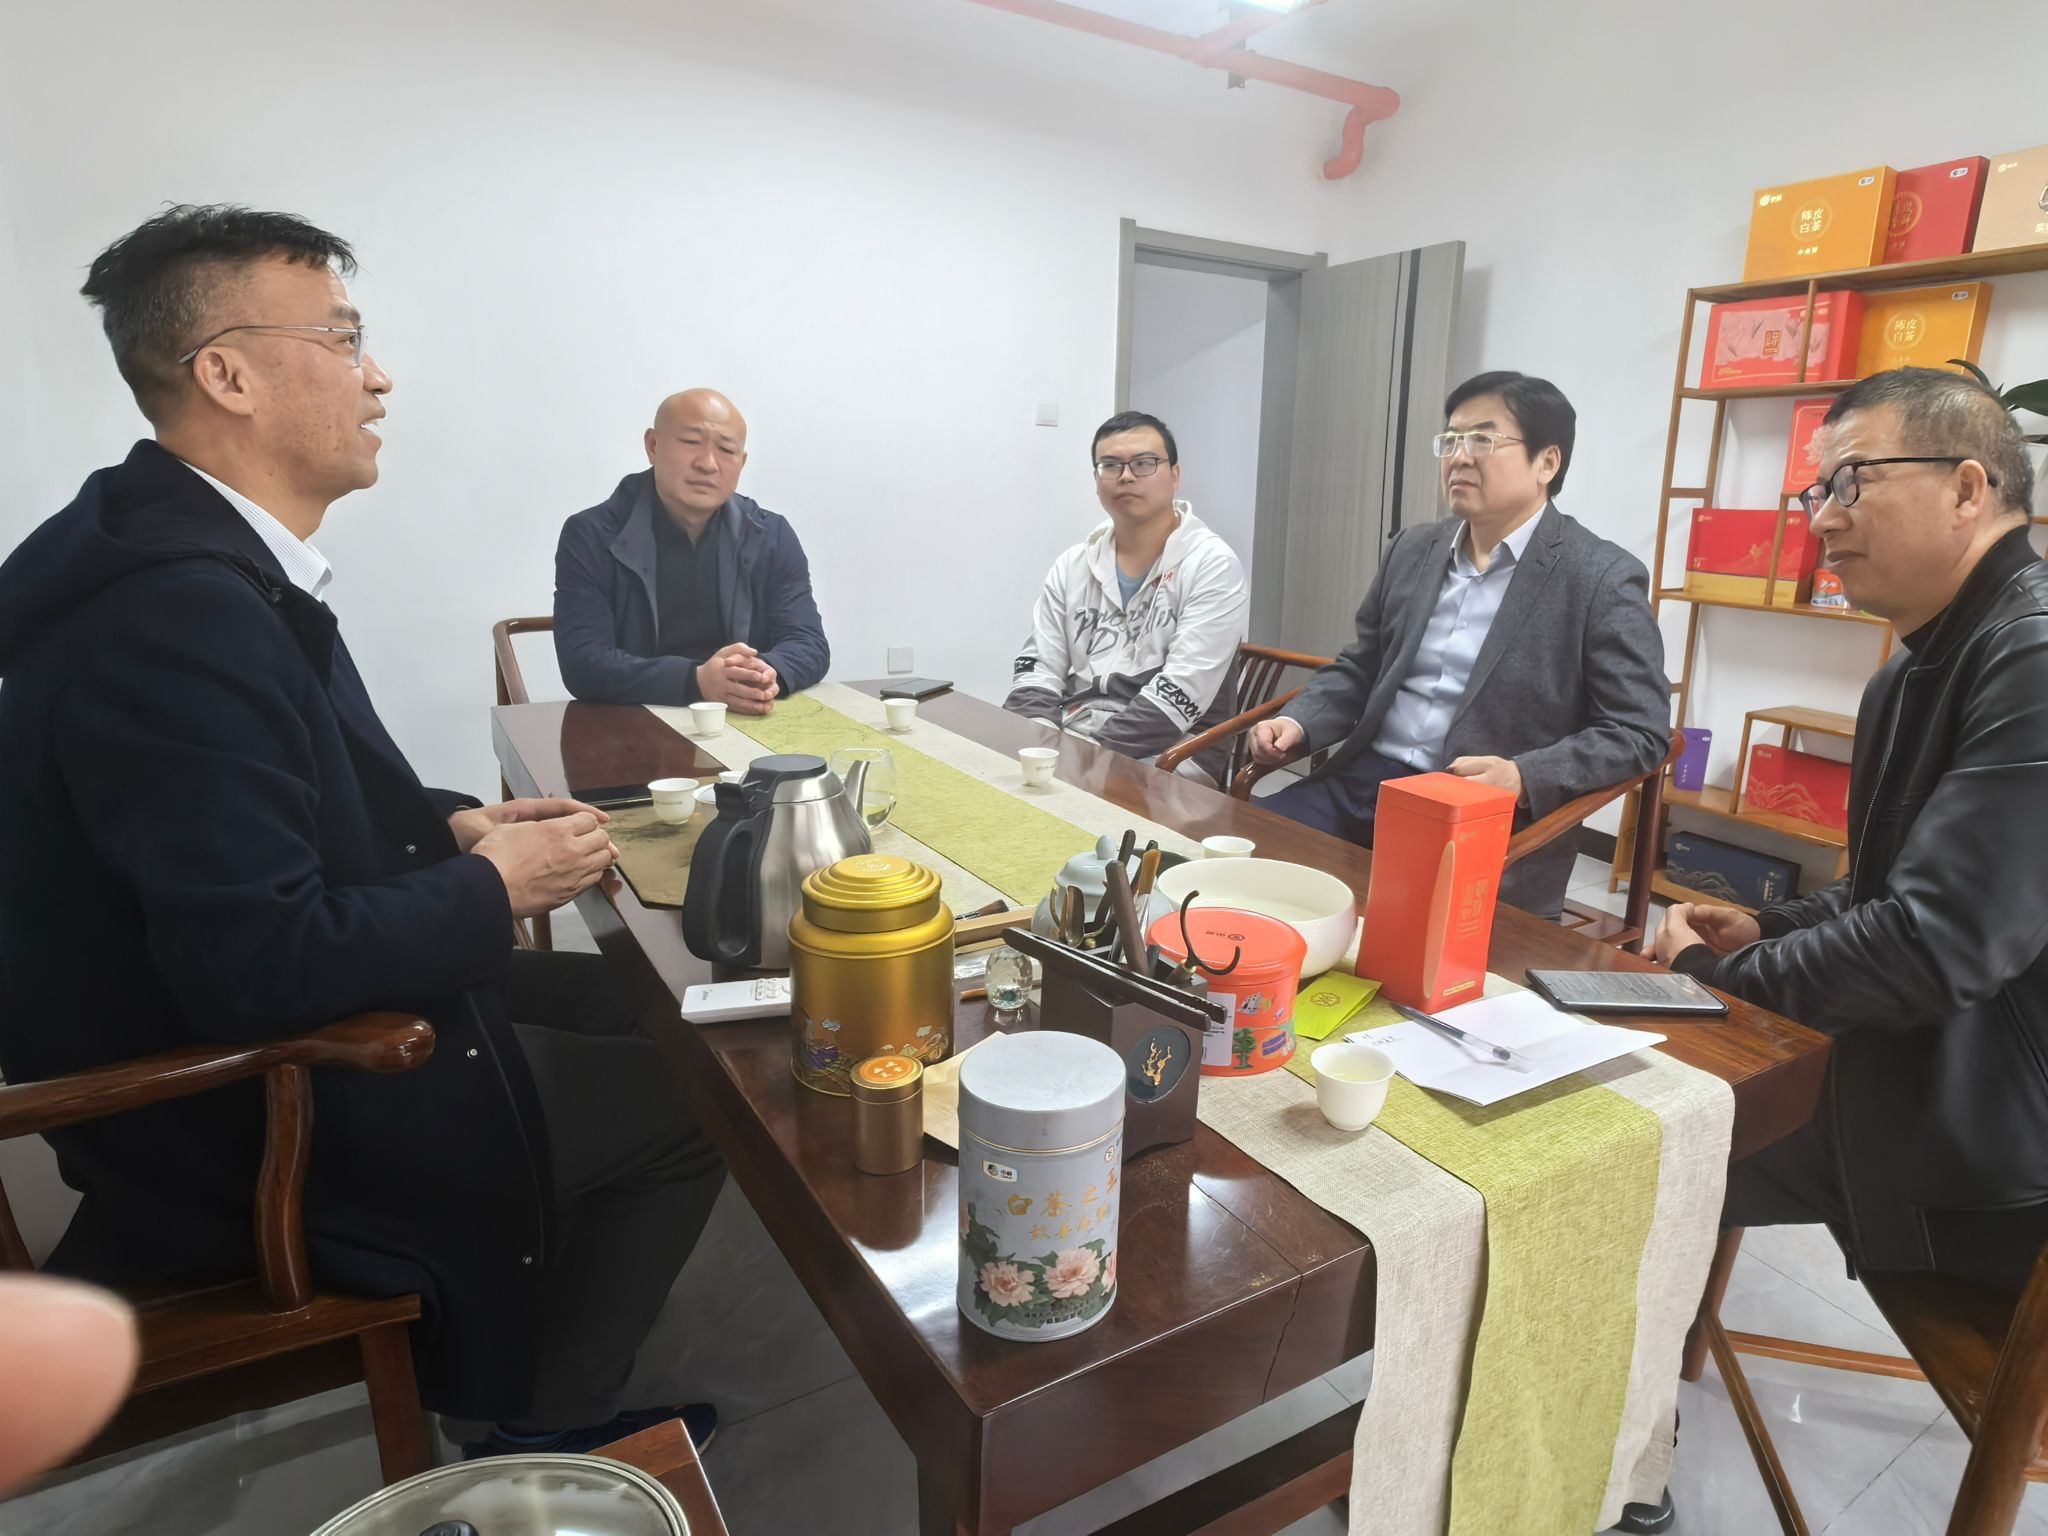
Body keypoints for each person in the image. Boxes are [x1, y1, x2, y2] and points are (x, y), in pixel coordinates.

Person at [0, 205, 724, 1457]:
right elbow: (257, 962)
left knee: (643, 1000)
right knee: (700, 1098)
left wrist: (451, 829)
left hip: (263, 1031)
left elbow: (283, 813)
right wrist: (494, 888)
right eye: (340, 339)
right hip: (255, 1114)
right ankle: (538, 1427)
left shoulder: (182, 559)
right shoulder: (174, 615)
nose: (377, 375)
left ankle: (522, 1335)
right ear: (225, 375)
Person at [1657, 366, 2048, 1291]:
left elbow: (1934, 944)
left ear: (1967, 488)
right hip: (1909, 1065)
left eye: (1852, 483)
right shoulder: (1910, 672)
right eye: (1817, 493)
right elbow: (1885, 889)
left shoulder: (2032, 656)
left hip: (1986, 1145)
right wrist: (1769, 927)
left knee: (1614, 1152)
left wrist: (1716, 979)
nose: (1824, 520)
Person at [1250, 371, 1669, 916]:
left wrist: (1524, 776)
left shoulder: (1600, 577)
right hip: (1362, 781)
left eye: (1483, 440)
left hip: (1474, 813)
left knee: (1388, 932)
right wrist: (1300, 722)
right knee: (1240, 866)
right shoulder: (1413, 548)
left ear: (1547, 462)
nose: (1459, 457)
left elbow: (1639, 732)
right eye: (1450, 440)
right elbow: (1361, 666)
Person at [1004, 410, 1249, 780]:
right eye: (1111, 465)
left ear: (1175, 476)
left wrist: (1082, 761)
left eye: (1144, 463)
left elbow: (1180, 695)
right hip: (1076, 730)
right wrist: (1037, 740)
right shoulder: (1074, 563)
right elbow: (1039, 664)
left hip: (1173, 750)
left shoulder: (1211, 565)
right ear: (1097, 480)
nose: (1126, 476)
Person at [553, 389, 829, 712]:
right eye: (690, 442)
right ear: (653, 445)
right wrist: (696, 681)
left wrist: (765, 673)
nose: (707, 464)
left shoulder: (771, 536)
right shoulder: (592, 535)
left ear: (741, 463)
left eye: (726, 449)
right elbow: (584, 663)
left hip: (741, 719)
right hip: (636, 721)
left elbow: (809, 643)